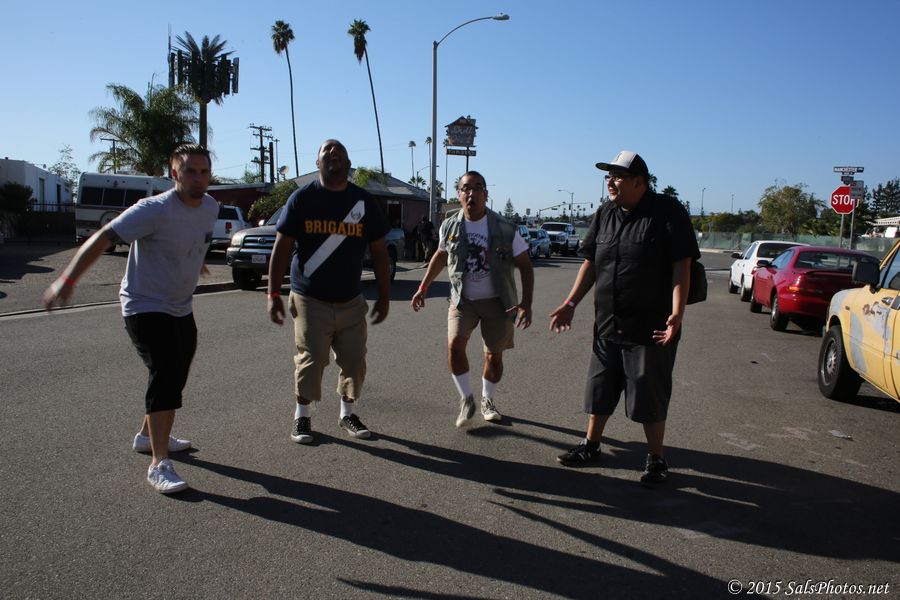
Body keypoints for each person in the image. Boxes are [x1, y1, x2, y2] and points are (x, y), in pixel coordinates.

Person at [43, 144, 218, 494]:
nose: (198, 179)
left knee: (177, 372)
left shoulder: (210, 207)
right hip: (144, 305)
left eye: (204, 172)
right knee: (166, 373)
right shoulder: (153, 209)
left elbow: (196, 237)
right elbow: (102, 237)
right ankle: (158, 463)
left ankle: (146, 435)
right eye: (190, 172)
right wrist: (67, 280)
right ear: (174, 174)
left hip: (180, 305)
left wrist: (195, 260)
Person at [549, 150, 699, 485]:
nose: (610, 182)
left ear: (640, 182)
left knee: (649, 393)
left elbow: (682, 265)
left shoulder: (667, 211)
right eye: (608, 176)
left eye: (618, 176)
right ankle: (591, 445)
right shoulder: (605, 213)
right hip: (608, 323)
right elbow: (590, 263)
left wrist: (677, 313)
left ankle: (656, 458)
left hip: (651, 327)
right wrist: (570, 302)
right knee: (599, 388)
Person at [267, 139, 391, 444]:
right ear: (317, 163)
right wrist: (273, 294)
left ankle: (347, 413)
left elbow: (379, 251)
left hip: (351, 298)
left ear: (348, 165)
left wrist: (384, 296)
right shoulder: (302, 199)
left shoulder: (363, 202)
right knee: (312, 359)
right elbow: (281, 248)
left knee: (354, 359)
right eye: (327, 152)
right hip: (310, 297)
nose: (333, 154)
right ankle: (302, 416)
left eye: (340, 152)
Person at [411, 171, 534, 426]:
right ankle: (466, 398)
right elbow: (441, 256)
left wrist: (527, 303)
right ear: (459, 194)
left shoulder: (505, 228)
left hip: (498, 302)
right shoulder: (450, 225)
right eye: (466, 188)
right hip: (462, 299)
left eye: (478, 188)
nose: (471, 193)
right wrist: (423, 287)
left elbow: (525, 265)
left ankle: (487, 399)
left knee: (494, 357)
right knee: (454, 346)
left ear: (485, 194)